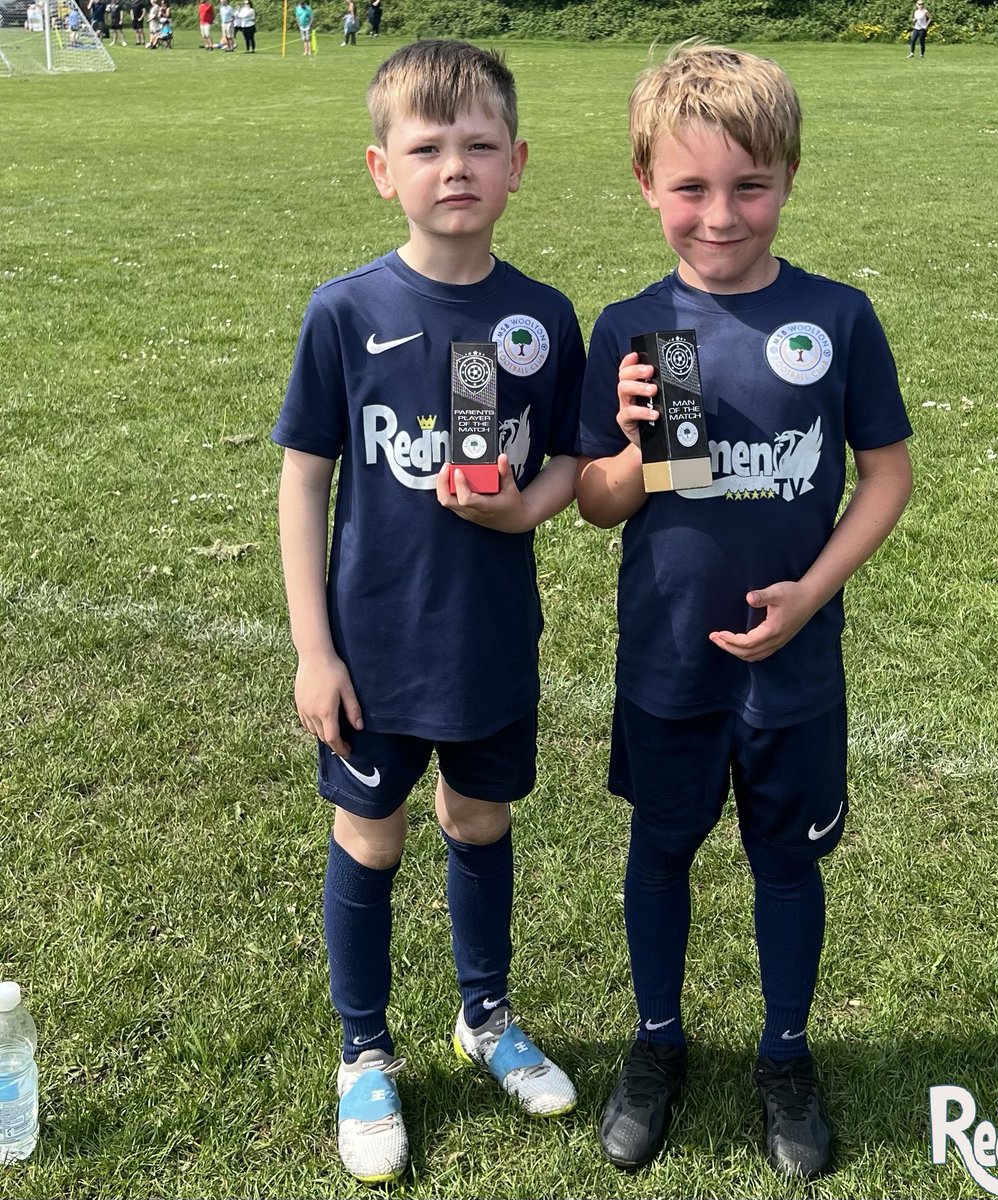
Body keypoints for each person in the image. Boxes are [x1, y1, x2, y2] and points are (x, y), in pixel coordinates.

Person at [576, 42, 913, 1179]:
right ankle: (657, 1045)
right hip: (670, 660)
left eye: (749, 187)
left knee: (785, 862)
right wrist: (628, 446)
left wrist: (813, 591)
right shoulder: (630, 327)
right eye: (691, 188)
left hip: (795, 664)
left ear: (791, 176)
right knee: (660, 851)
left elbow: (888, 475)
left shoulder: (837, 315)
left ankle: (785, 1055)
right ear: (645, 185)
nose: (721, 216)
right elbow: (595, 504)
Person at [273, 38, 584, 1184]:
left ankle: (485, 1013)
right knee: (372, 833)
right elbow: (305, 478)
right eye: (426, 147)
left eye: (480, 145)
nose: (455, 165)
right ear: (379, 168)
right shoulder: (346, 311)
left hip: (490, 638)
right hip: (373, 646)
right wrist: (315, 648)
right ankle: (365, 1049)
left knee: (480, 822)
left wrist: (520, 512)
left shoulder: (544, 318)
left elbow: (571, 459)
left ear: (517, 167)